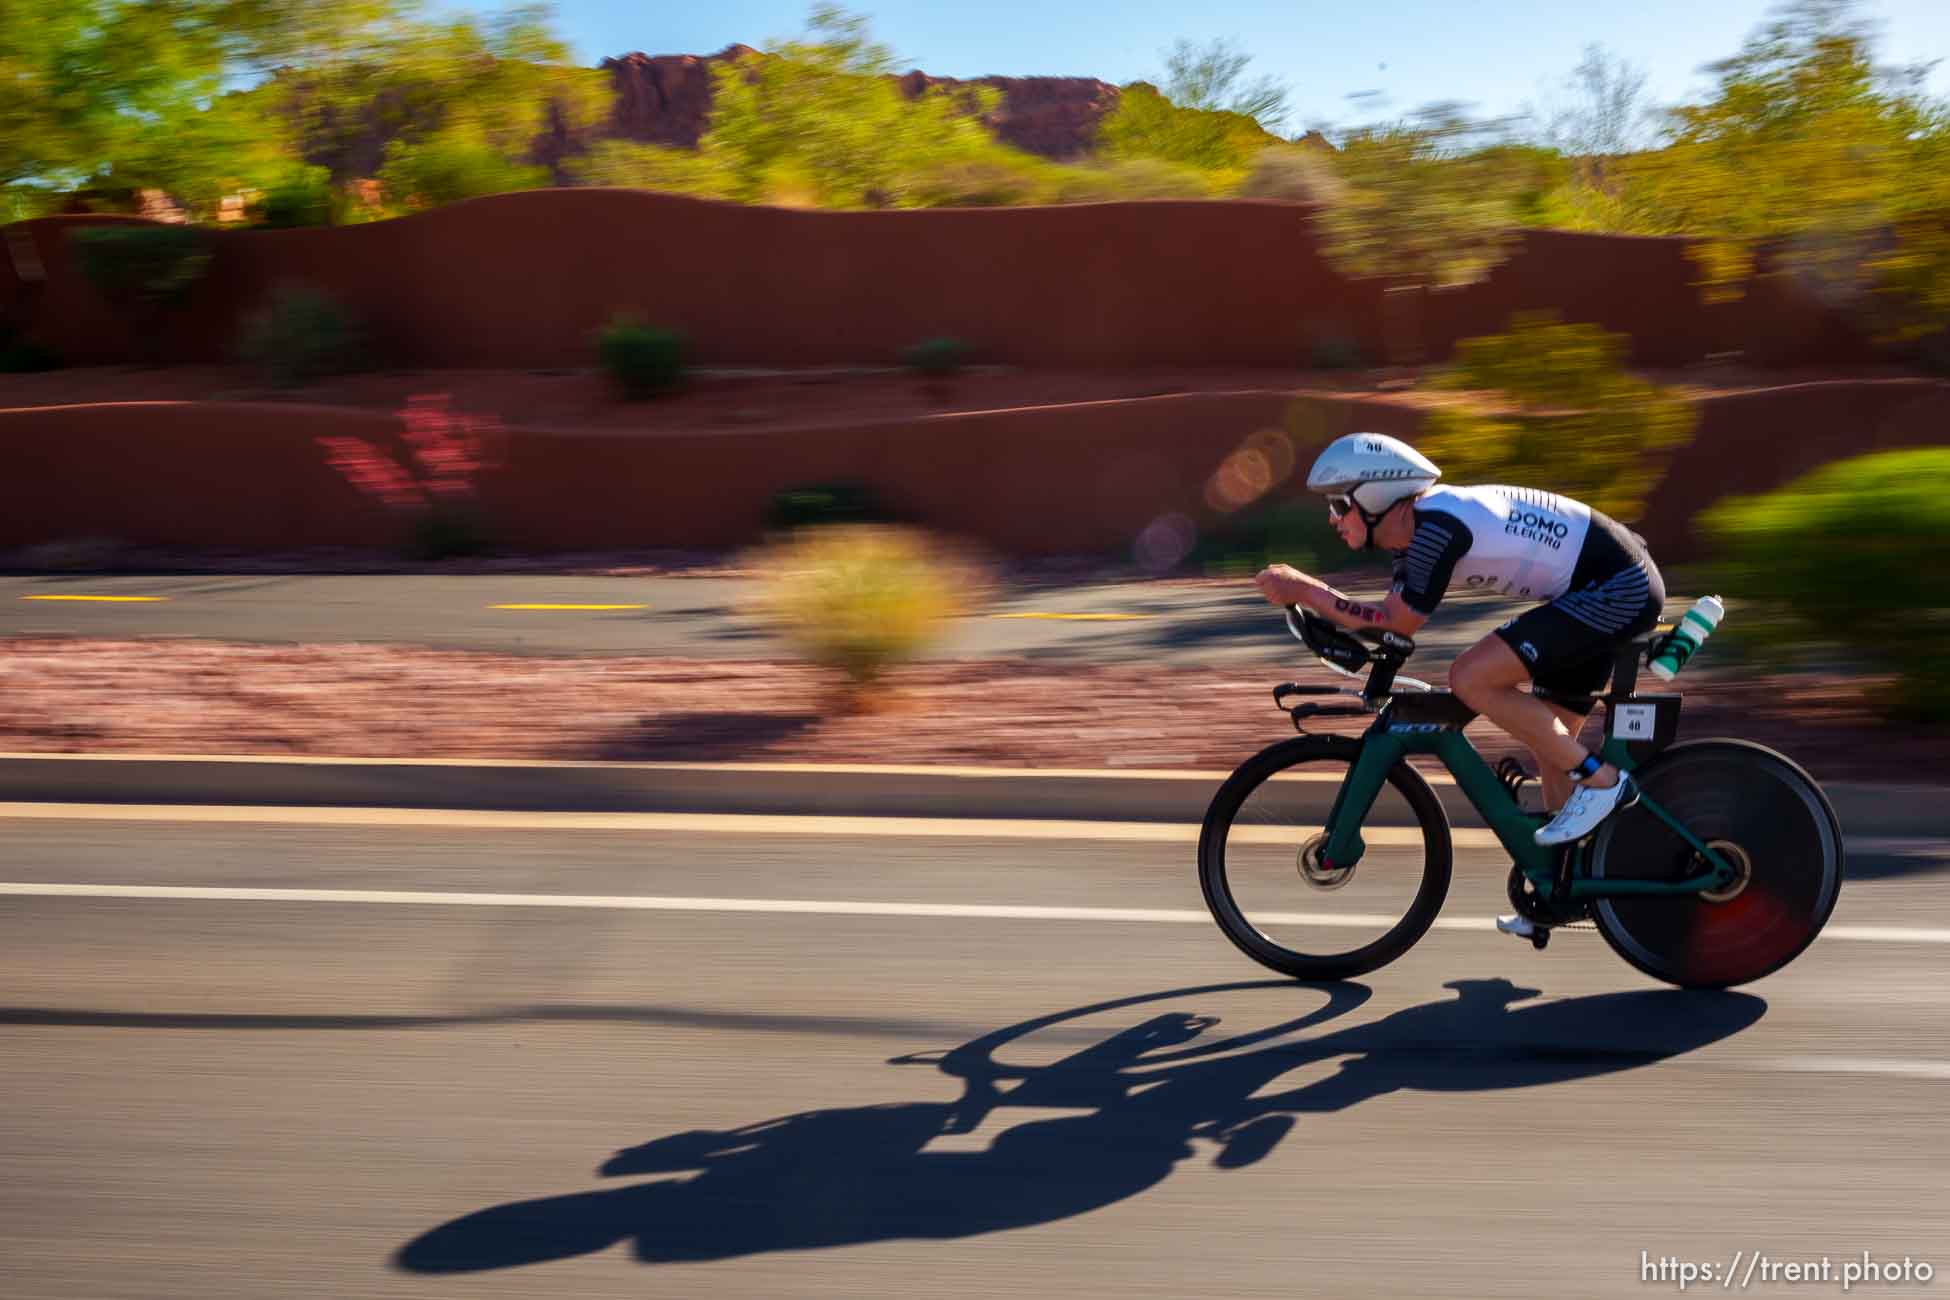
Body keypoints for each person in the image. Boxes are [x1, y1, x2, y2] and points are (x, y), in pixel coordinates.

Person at [1253, 432, 1667, 940]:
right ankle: (1559, 887)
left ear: (1376, 498)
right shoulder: (1417, 535)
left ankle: (1602, 781)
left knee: (1469, 676)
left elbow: (1397, 620)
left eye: (1340, 505)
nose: (1333, 519)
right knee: (1549, 741)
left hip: (1615, 588)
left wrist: (1304, 589)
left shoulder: (1435, 528)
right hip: (1600, 585)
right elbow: (1384, 621)